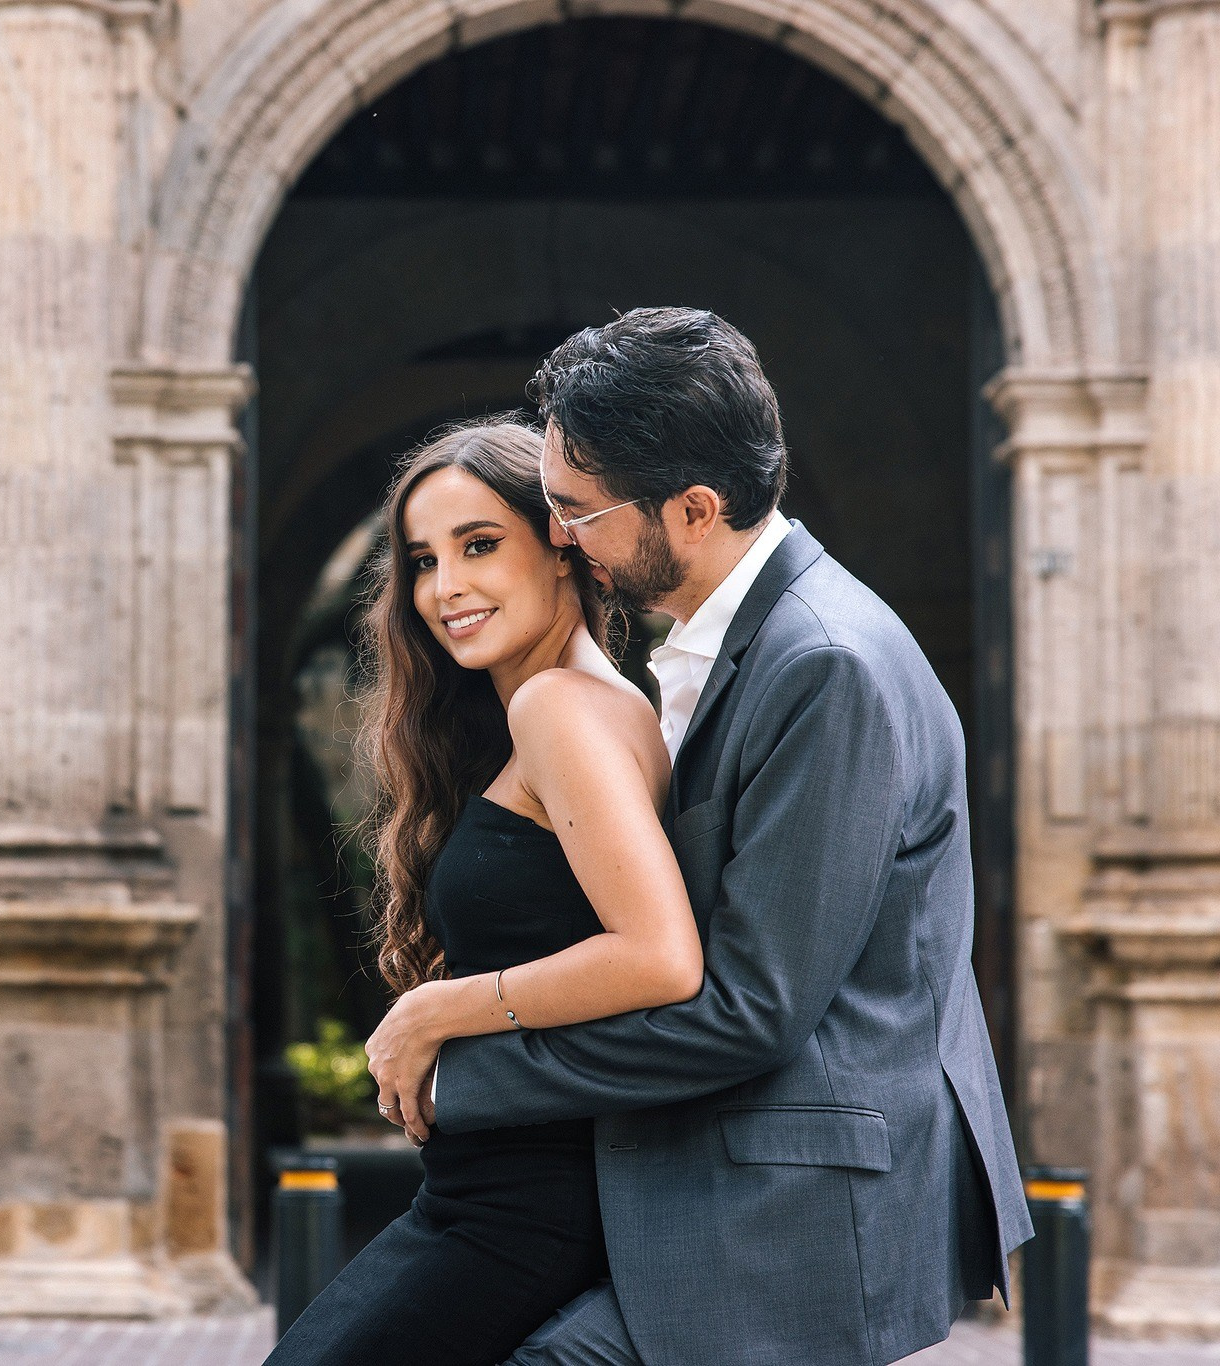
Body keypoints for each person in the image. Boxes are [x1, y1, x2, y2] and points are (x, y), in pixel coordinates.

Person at [367, 307, 1032, 1365]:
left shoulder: (822, 662)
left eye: (574, 512)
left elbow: (747, 1009)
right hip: (699, 1178)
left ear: (690, 508)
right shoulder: (730, 652)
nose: (559, 536)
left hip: (781, 1211)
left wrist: (457, 1062)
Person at [264, 415, 705, 1366]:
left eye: (479, 546)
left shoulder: (560, 709)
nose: (446, 587)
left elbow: (659, 954)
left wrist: (435, 1013)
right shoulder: (597, 706)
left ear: (562, 548)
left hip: (519, 1209)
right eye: (424, 560)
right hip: (496, 1196)